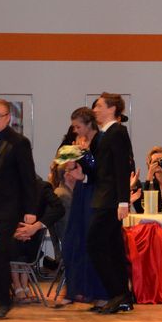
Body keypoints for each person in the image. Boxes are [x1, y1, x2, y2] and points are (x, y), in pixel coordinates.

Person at [0, 98, 37, 319]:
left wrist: (30, 210)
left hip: (8, 208)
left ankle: (3, 301)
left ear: (8, 117)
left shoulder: (18, 142)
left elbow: (28, 178)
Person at [87, 92, 135, 315]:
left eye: (99, 106)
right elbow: (99, 169)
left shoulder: (118, 132)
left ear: (112, 108)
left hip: (110, 200)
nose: (95, 110)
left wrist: (123, 201)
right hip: (103, 197)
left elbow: (121, 167)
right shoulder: (102, 135)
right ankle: (122, 296)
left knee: (95, 244)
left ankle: (118, 293)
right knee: (114, 248)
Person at [60, 108, 108, 306]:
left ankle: (99, 293)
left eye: (78, 126)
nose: (75, 130)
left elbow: (101, 171)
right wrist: (71, 163)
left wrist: (84, 157)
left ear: (89, 124)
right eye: (74, 126)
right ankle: (75, 290)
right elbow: (70, 166)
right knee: (73, 240)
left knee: (92, 242)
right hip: (81, 192)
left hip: (95, 194)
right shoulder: (78, 141)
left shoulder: (101, 141)